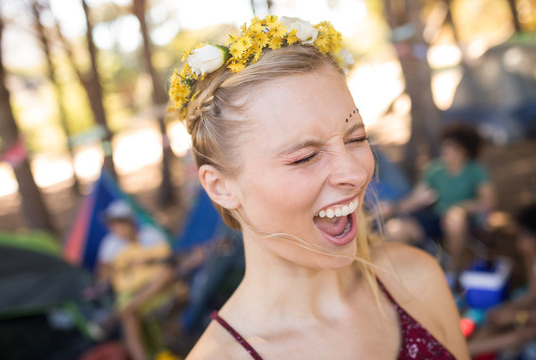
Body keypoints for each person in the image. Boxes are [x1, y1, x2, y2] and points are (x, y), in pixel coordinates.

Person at [168, 16, 469, 359]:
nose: (355, 172)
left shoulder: (416, 281)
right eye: (305, 157)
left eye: (356, 137)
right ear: (220, 187)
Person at [381, 123, 495, 277]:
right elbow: (415, 198)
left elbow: (487, 202)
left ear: (465, 150)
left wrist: (462, 208)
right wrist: (394, 207)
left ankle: (452, 272)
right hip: (434, 217)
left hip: (465, 221)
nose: (446, 150)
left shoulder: (475, 170)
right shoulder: (435, 169)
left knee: (454, 219)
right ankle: (402, 276)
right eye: (446, 145)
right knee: (395, 229)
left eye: (453, 147)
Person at [97, 200, 174, 360]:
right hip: (129, 290)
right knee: (129, 317)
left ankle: (130, 307)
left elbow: (168, 262)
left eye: (117, 224)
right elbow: (102, 274)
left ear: (129, 223)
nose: (114, 228)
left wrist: (145, 261)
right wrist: (118, 270)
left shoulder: (151, 235)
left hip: (155, 288)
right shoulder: (109, 245)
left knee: (166, 275)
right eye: (111, 224)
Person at [467, 203, 536, 358]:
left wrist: (518, 317)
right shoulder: (530, 255)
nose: (519, 243)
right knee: (495, 322)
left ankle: (459, 352)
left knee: (519, 335)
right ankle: (461, 351)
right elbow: (533, 292)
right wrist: (510, 309)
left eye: (523, 236)